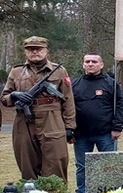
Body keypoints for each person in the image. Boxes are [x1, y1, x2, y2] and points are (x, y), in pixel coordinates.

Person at [1, 36, 76, 182]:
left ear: (46, 51)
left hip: (52, 119)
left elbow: (68, 100)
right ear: (25, 52)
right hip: (24, 121)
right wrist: (15, 96)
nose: (34, 52)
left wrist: (69, 126)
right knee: (27, 162)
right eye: (30, 49)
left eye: (38, 49)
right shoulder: (16, 71)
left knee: (56, 162)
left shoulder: (58, 71)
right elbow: (5, 98)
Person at [71, 54, 123, 193]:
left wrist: (117, 127)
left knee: (110, 165)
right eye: (87, 62)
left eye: (94, 62)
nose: (90, 64)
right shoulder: (75, 84)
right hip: (81, 135)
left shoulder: (111, 84)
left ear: (101, 65)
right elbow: (68, 109)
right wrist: (69, 130)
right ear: (83, 65)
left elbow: (120, 106)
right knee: (81, 166)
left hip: (106, 134)